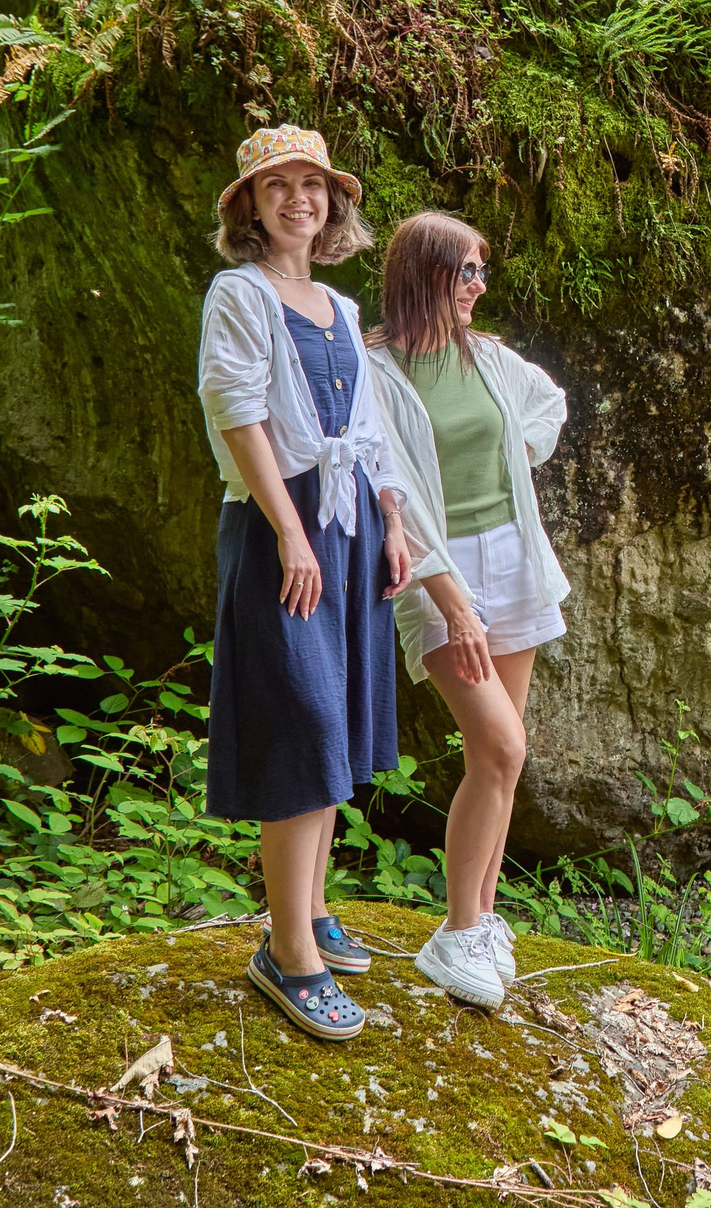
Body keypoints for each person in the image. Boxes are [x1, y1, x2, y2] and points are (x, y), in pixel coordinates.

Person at [195, 125, 448, 1041]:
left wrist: (391, 521)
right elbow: (238, 413)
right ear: (250, 208)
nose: (299, 199)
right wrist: (291, 533)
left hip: (346, 529)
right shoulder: (240, 295)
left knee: (334, 718)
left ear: (331, 202)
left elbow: (370, 428)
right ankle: (287, 951)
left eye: (313, 184)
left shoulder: (337, 306)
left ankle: (310, 906)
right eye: (278, 187)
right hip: (282, 532)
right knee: (302, 720)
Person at [366, 211, 570, 1012]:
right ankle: (453, 936)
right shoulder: (376, 369)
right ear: (425, 276)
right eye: (467, 273)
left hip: (514, 558)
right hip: (437, 575)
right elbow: (393, 489)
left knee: (503, 758)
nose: (481, 287)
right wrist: (447, 596)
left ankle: (482, 920)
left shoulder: (485, 358)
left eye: (483, 272)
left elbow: (548, 405)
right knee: (500, 744)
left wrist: (516, 454)